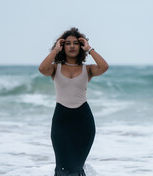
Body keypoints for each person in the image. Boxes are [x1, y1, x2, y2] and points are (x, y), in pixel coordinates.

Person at [39, 27, 109, 176]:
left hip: (83, 122)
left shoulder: (87, 69)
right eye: (68, 43)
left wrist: (90, 49)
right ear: (62, 46)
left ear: (80, 46)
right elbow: (42, 69)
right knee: (63, 167)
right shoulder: (55, 69)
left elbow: (104, 67)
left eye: (76, 43)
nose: (72, 46)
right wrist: (55, 50)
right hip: (61, 122)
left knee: (76, 167)